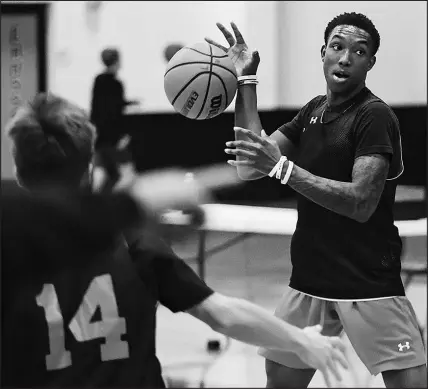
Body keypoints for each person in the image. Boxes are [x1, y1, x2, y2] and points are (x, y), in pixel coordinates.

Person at [1, 92, 348, 388]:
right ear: (89, 165)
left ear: (17, 168)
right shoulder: (129, 242)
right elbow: (222, 314)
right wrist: (302, 341)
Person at [206, 12, 427, 388]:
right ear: (323, 51)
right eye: (337, 47)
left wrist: (284, 170)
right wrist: (246, 80)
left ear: (370, 63)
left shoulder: (374, 116)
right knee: (279, 378)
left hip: (367, 282)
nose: (345, 58)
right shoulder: (313, 112)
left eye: (359, 52)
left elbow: (361, 202)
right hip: (309, 278)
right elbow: (249, 164)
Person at [90, 47, 139, 151]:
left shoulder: (98, 80)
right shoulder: (116, 84)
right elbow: (115, 107)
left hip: (100, 130)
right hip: (111, 132)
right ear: (117, 62)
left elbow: (98, 106)